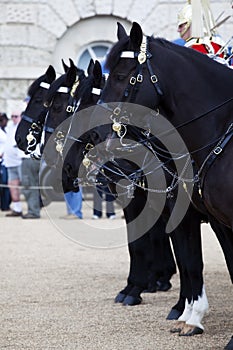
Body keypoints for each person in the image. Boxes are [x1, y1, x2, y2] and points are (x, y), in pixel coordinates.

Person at [4, 111, 24, 217]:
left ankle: (33, 208)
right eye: (12, 116)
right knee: (12, 185)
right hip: (9, 162)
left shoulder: (23, 127)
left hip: (20, 161)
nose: (13, 118)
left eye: (16, 116)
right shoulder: (9, 127)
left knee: (27, 185)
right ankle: (17, 208)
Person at [0, 113, 11, 211]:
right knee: (2, 183)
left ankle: (5, 205)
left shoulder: (7, 130)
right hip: (1, 159)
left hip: (6, 160)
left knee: (6, 183)